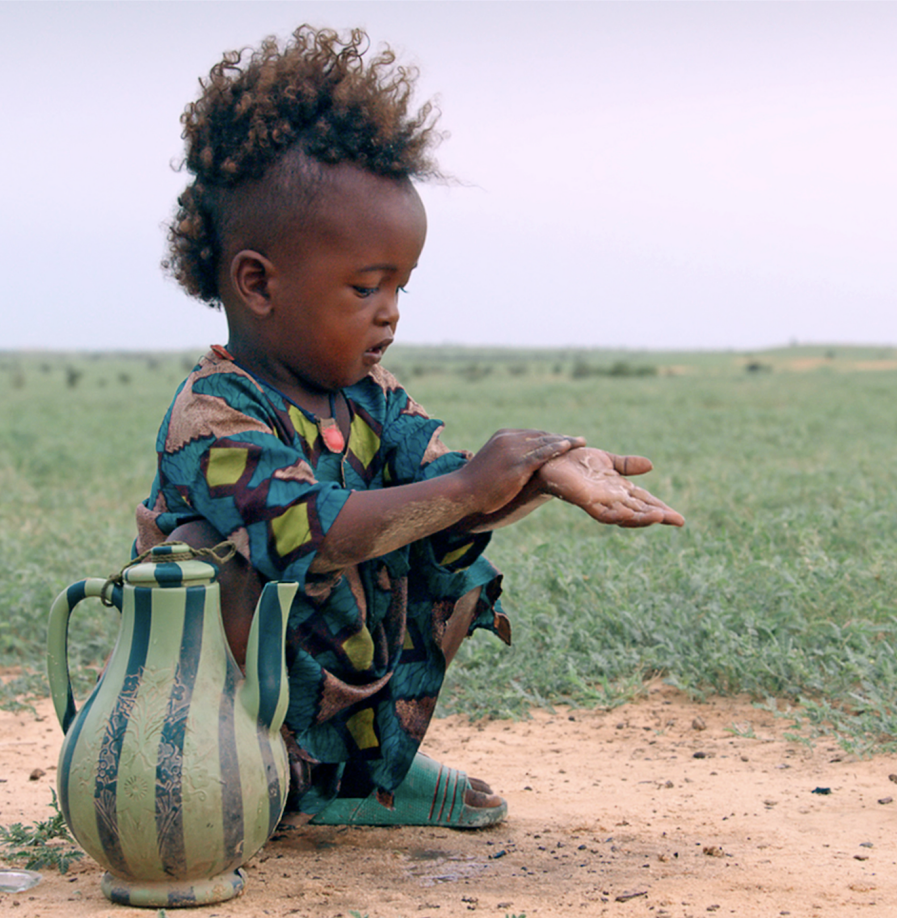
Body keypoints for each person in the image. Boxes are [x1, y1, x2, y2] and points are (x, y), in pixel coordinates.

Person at [135, 25, 684, 829]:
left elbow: (450, 482)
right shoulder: (214, 414)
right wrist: (466, 486)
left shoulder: (370, 395)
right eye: (365, 287)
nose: (390, 312)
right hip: (208, 713)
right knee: (275, 559)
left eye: (401, 286)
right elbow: (316, 534)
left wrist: (544, 471)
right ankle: (263, 778)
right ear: (258, 283)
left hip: (324, 676)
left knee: (444, 538)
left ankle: (364, 774)